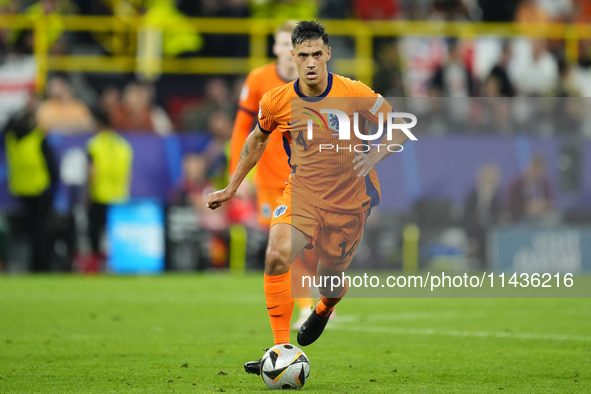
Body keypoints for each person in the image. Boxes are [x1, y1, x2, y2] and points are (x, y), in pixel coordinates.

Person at [206, 20, 411, 374]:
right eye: (304, 55)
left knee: (328, 279)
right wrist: (233, 186)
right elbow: (256, 140)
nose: (312, 61)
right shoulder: (276, 100)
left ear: (328, 53)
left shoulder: (353, 92)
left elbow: (400, 126)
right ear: (293, 56)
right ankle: (279, 349)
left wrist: (375, 154)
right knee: (275, 255)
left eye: (318, 54)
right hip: (302, 193)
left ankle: (325, 307)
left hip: (349, 202)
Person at [229, 19, 317, 330]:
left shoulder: (315, 81)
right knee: (280, 246)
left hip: (305, 178)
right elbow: (243, 130)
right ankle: (305, 307)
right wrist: (237, 178)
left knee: (295, 244)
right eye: (281, 43)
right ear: (275, 47)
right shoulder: (258, 80)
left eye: (292, 44)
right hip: (268, 178)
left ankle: (307, 307)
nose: (286, 49)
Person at [3, 92, 59, 272]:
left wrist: (18, 112)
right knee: (41, 232)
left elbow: (6, 127)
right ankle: (41, 267)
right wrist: (53, 187)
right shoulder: (38, 139)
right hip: (40, 190)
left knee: (28, 232)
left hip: (20, 190)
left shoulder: (11, 139)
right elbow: (52, 167)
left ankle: (29, 266)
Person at [85, 112, 134, 272]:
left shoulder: (94, 144)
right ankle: (116, 264)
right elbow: (128, 173)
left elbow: (92, 172)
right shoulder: (123, 145)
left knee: (95, 232)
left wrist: (87, 192)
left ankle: (97, 264)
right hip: (119, 196)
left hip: (99, 195)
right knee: (115, 234)